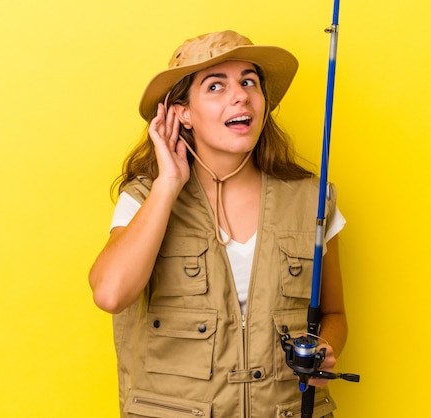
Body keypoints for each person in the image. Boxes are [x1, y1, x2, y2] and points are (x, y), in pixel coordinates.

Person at [89, 30, 348, 417]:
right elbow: (110, 294)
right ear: (182, 113)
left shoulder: (312, 198)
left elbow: (335, 315)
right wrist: (168, 184)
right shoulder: (144, 198)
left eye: (249, 82)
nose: (240, 94)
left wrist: (325, 348)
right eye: (215, 86)